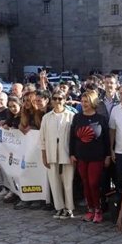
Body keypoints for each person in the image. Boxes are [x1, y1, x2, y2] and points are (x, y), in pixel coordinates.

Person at [70, 90, 110, 223]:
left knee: (93, 183)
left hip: (97, 156)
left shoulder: (101, 119)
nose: (84, 104)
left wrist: (108, 155)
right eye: (82, 101)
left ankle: (98, 209)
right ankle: (90, 209)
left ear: (92, 102)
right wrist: (72, 153)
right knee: (85, 183)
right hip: (81, 156)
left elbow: (106, 140)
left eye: (86, 101)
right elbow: (72, 137)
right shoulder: (77, 117)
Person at [41, 89, 76, 218]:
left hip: (66, 154)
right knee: (54, 183)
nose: (57, 101)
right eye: (54, 98)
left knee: (68, 182)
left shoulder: (71, 116)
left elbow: (74, 138)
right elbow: (42, 138)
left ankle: (69, 208)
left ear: (64, 100)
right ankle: (59, 207)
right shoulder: (46, 117)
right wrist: (44, 155)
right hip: (51, 153)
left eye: (60, 98)